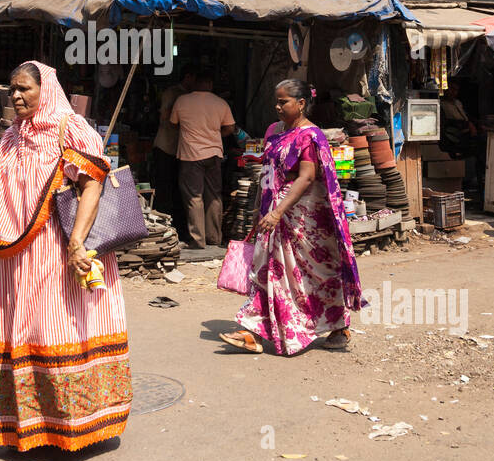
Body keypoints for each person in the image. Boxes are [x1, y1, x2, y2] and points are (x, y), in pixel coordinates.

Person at [0, 61, 131, 452]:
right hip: (14, 258)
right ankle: (28, 425)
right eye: (12, 89)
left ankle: (73, 428)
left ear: (46, 89)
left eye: (25, 89)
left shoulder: (67, 128)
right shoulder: (9, 139)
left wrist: (77, 245)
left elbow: (92, 183)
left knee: (56, 329)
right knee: (21, 331)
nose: (16, 96)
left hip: (57, 253)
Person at [220, 80, 365, 356]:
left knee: (315, 275)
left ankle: (337, 324)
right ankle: (252, 332)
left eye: (283, 101)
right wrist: (260, 203)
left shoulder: (310, 135)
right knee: (268, 270)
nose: (277, 106)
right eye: (276, 100)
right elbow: (273, 167)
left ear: (300, 104)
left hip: (303, 218)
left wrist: (278, 211)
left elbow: (307, 176)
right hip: (273, 210)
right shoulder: (274, 131)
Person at [169, 72, 236, 249]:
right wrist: (215, 135)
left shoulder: (182, 101)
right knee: (214, 196)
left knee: (194, 197)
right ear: (211, 85)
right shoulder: (220, 103)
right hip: (214, 153)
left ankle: (198, 240)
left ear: (194, 84)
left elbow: (173, 123)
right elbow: (230, 128)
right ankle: (214, 238)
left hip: (191, 155)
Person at [150, 67, 194, 240]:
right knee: (165, 187)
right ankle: (163, 228)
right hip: (166, 146)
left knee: (178, 189)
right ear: (188, 76)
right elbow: (165, 117)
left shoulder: (188, 96)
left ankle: (178, 228)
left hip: (180, 149)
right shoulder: (173, 93)